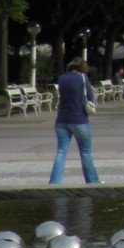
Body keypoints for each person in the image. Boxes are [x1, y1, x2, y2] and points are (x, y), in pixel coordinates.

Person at [49, 57, 101, 185]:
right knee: (86, 152)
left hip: (61, 120)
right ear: (82, 68)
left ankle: (55, 182)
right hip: (79, 119)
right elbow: (90, 96)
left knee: (61, 151)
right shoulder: (83, 78)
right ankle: (92, 181)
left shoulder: (62, 78)